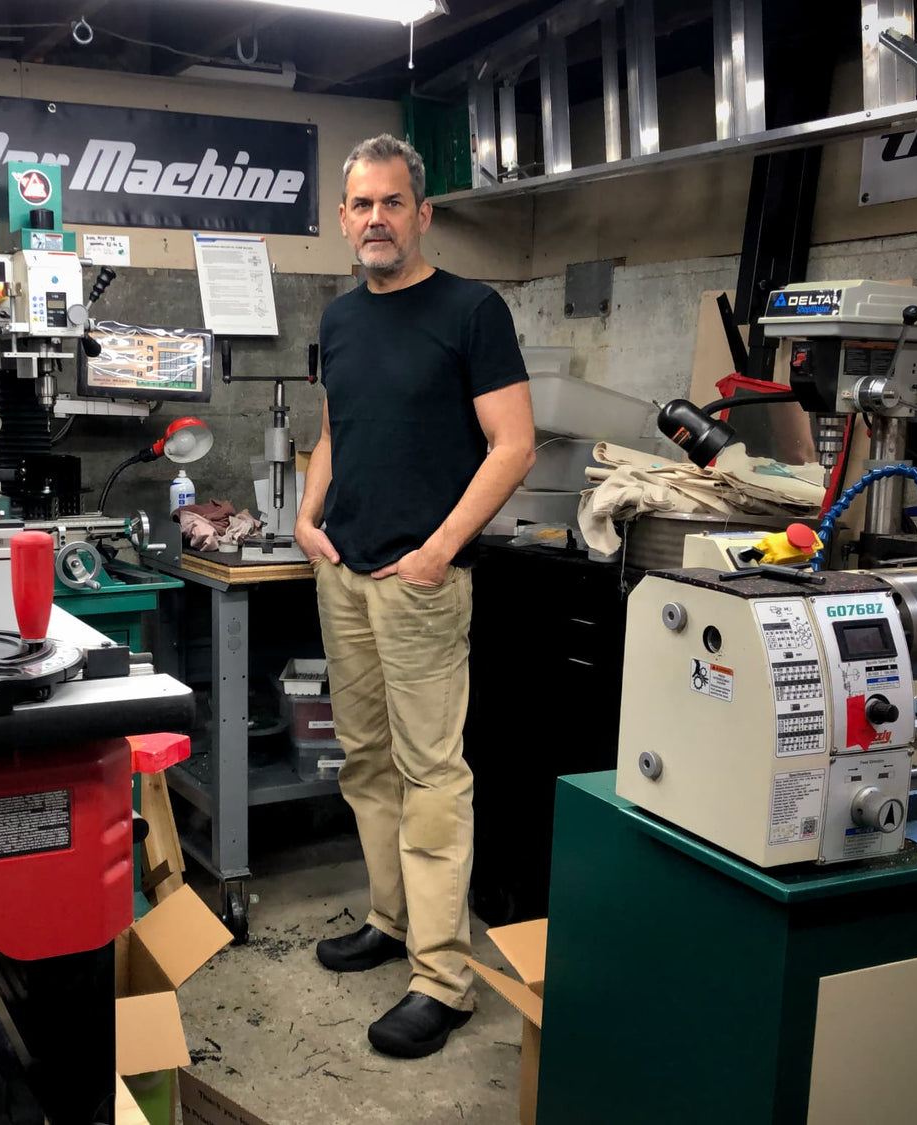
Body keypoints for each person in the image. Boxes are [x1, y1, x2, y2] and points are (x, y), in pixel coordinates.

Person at [295, 134, 536, 1059]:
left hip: (422, 583)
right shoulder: (341, 318)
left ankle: (444, 978)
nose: (375, 220)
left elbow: (514, 443)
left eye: (392, 203)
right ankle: (390, 923)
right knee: (365, 763)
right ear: (345, 216)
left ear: (422, 213)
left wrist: (440, 549)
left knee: (433, 775)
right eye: (360, 205)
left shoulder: (473, 309)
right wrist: (310, 519)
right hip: (345, 572)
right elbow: (333, 428)